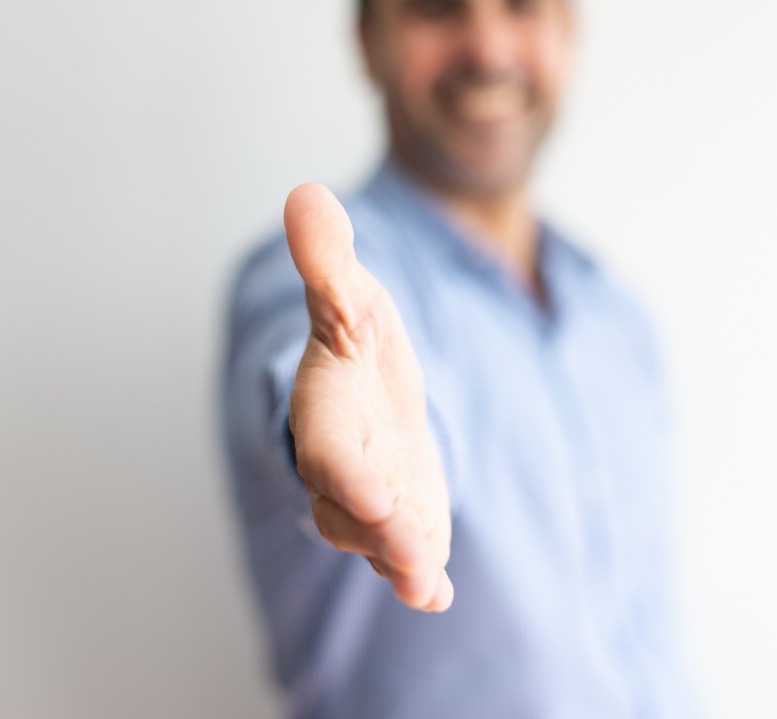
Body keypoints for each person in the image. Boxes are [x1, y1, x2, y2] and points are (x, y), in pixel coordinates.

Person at [222, 0, 696, 716]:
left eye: (522, 7)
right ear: (367, 40)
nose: (487, 48)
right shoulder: (321, 282)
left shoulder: (618, 321)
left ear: (566, 32)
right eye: (436, 9)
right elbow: (323, 377)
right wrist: (338, 440)